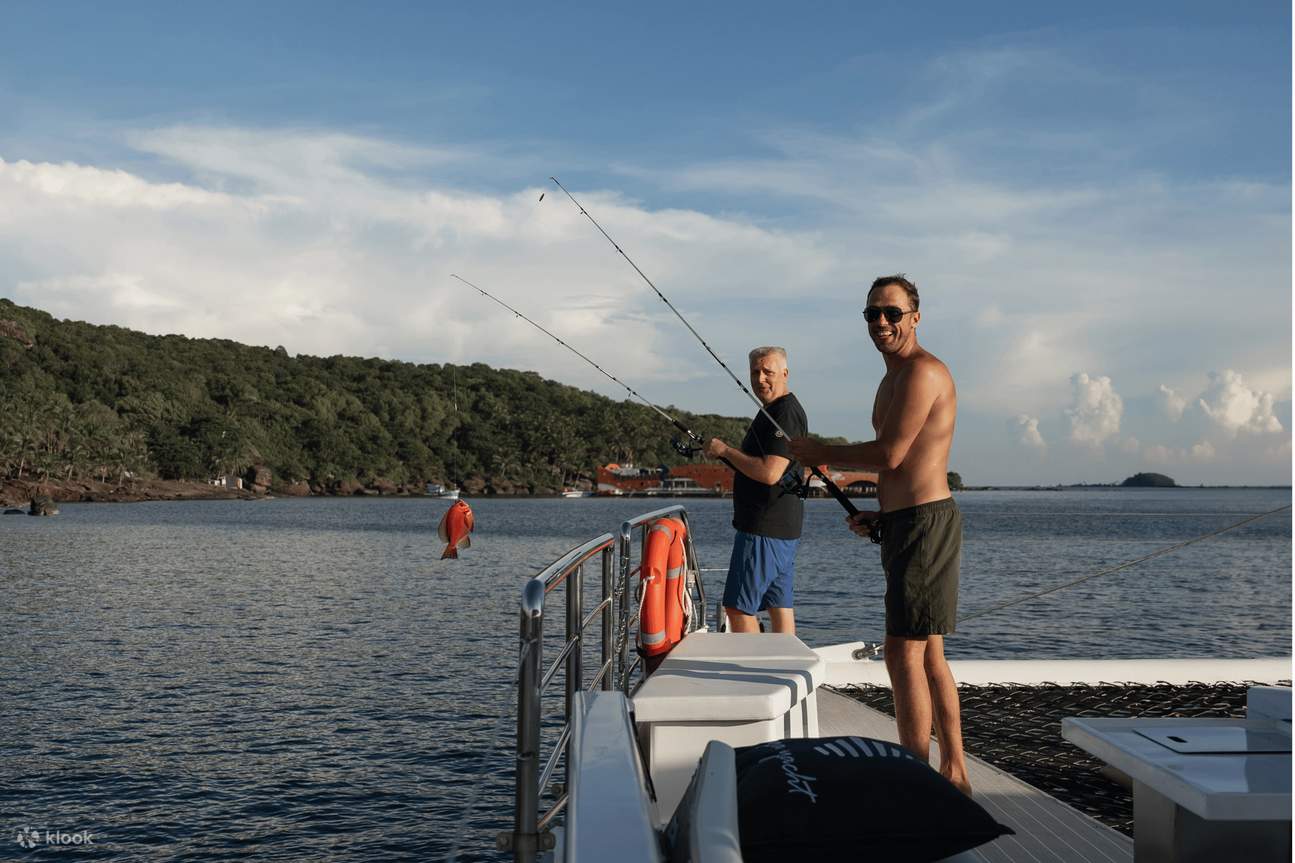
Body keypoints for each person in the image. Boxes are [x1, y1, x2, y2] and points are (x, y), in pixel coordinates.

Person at [788, 274, 971, 796]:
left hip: (926, 524)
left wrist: (821, 451)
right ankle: (953, 775)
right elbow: (900, 466)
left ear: (915, 316)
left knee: (902, 653)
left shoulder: (921, 373)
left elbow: (889, 452)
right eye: (872, 314)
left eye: (892, 312)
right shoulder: (890, 380)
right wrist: (880, 515)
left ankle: (915, 782)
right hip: (906, 523)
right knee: (929, 654)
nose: (882, 322)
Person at [704, 346, 807, 635]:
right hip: (781, 528)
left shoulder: (784, 413)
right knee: (778, 604)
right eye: (755, 372)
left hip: (764, 528)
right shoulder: (775, 411)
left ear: (785, 373)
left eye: (768, 372)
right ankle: (787, 669)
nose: (760, 378)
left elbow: (770, 472)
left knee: (738, 608)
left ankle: (753, 674)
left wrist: (725, 450)